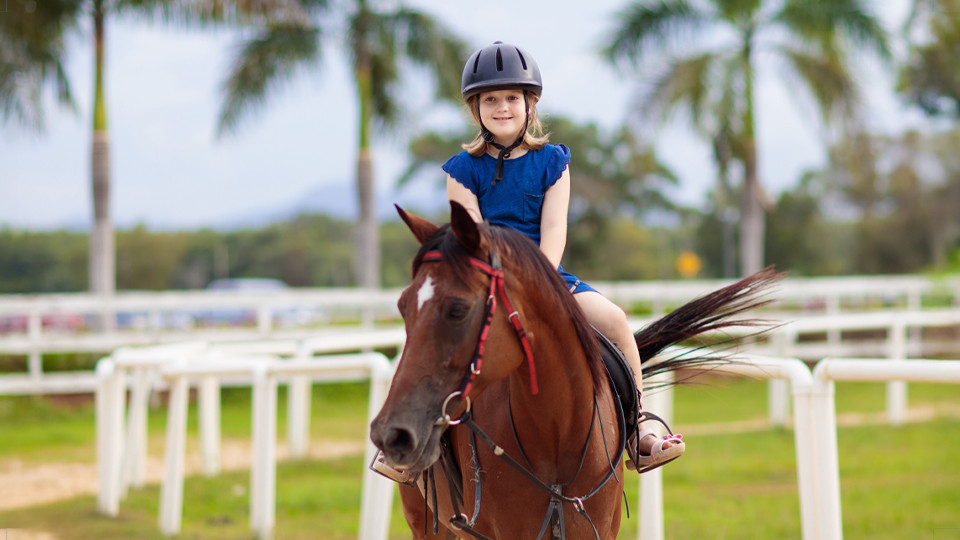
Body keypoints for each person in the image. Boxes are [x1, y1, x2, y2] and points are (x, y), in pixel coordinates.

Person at [442, 41, 684, 473]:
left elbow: (554, 229)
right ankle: (415, 444)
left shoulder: (553, 161)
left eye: (512, 98)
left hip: (547, 276)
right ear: (474, 107)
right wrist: (502, 284)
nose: (502, 107)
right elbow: (475, 236)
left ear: (529, 104)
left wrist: (540, 281)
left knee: (614, 320)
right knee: (434, 336)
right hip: (486, 280)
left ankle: (638, 428)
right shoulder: (461, 170)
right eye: (491, 99)